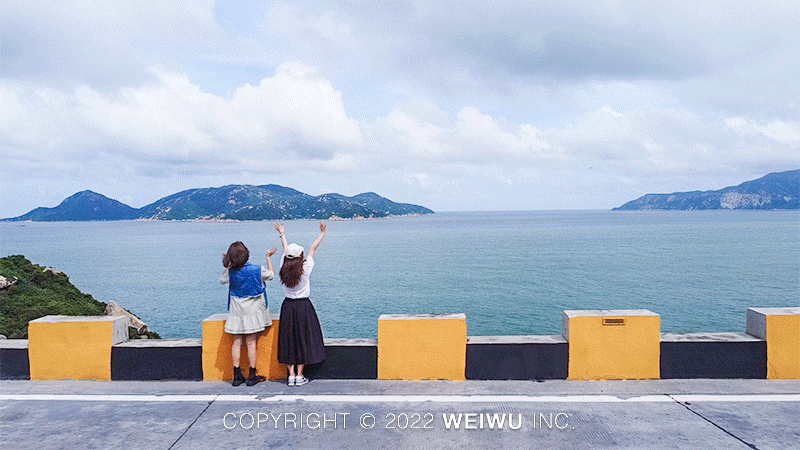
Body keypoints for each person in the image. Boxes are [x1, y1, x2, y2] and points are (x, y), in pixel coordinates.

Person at [274, 221, 327, 386]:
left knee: (288, 340)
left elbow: (285, 249)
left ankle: (290, 376)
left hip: (288, 306)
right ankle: (299, 375)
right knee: (303, 338)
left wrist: (282, 233)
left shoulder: (283, 266)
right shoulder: (305, 268)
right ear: (300, 256)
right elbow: (313, 248)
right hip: (303, 306)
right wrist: (322, 233)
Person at [221, 241, 277, 387]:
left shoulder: (231, 272)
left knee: (236, 342)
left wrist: (228, 264)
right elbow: (271, 275)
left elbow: (222, 280)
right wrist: (268, 258)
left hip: (236, 312)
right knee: (251, 343)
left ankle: (236, 375)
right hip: (253, 313)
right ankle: (252, 375)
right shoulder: (257, 269)